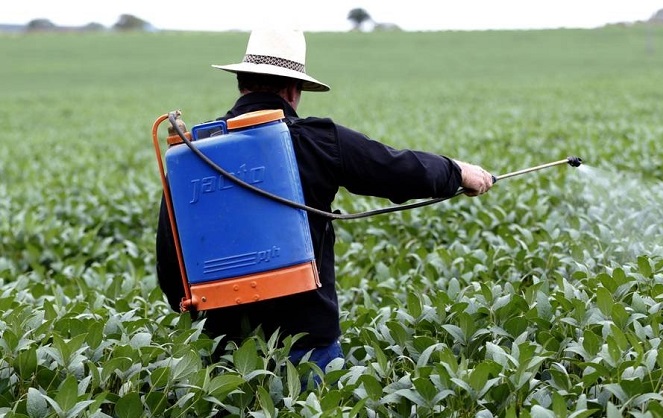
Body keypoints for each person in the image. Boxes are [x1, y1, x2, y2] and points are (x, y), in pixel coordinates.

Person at [155, 28, 493, 371]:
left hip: (224, 352)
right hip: (308, 346)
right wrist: (457, 172)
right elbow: (397, 169)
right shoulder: (318, 140)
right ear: (294, 89)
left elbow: (171, 265)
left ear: (241, 83)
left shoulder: (192, 154)